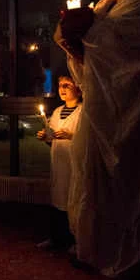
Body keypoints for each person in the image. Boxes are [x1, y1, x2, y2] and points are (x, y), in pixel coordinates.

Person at [55, 0, 140, 277]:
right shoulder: (104, 4)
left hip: (127, 108)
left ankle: (122, 251)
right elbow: (93, 51)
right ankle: (90, 246)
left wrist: (86, 31)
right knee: (90, 175)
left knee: (123, 181)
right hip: (98, 108)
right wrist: (74, 38)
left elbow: (121, 52)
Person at [35, 75, 83, 251]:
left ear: (79, 89)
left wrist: (71, 136)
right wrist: (45, 137)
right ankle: (56, 238)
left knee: (73, 200)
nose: (62, 89)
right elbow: (52, 138)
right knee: (57, 199)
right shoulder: (57, 112)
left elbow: (89, 140)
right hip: (58, 163)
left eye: (67, 85)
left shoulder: (83, 112)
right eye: (60, 85)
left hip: (74, 165)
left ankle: (75, 241)